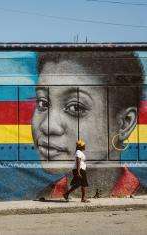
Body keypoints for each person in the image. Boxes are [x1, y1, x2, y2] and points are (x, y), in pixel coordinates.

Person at [32, 51, 147, 199]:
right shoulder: (45, 196)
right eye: (43, 103)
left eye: (76, 107)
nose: (48, 126)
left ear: (125, 123)